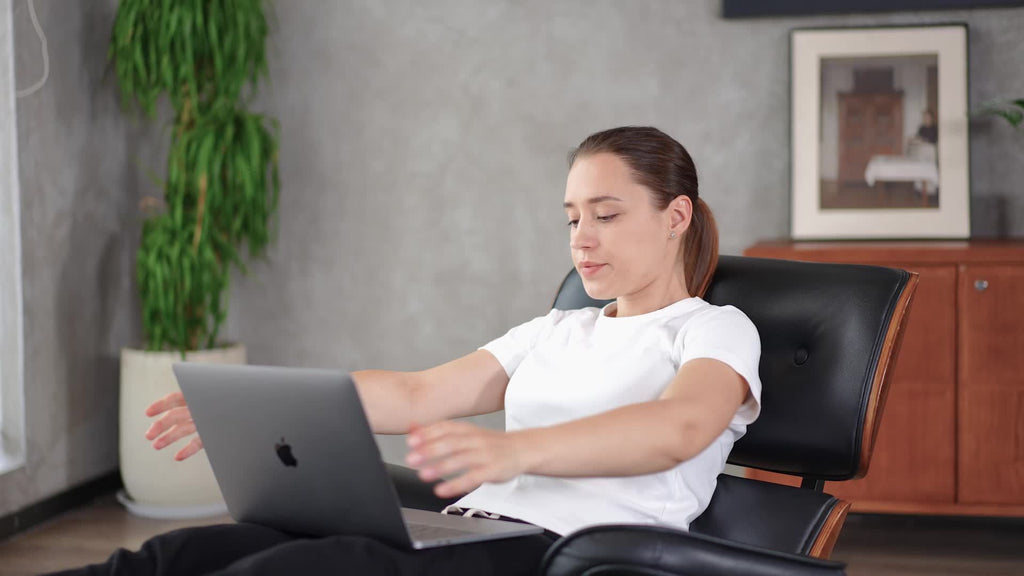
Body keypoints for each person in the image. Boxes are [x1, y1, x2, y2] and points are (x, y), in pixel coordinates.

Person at [51, 126, 761, 576]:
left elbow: (679, 430)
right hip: (467, 534)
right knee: (187, 554)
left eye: (606, 215)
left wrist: (518, 452)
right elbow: (419, 394)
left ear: (675, 217)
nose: (581, 238)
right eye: (573, 218)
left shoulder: (711, 329)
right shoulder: (556, 328)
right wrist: (264, 412)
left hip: (569, 552)